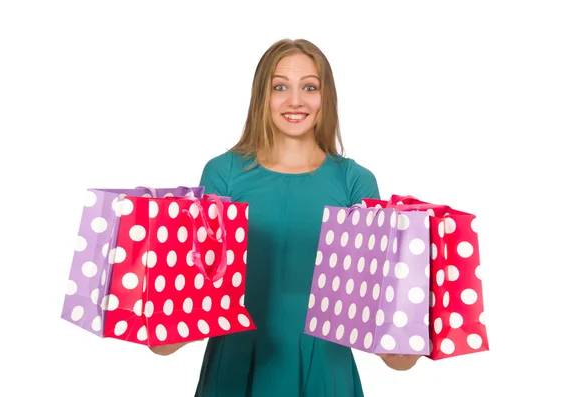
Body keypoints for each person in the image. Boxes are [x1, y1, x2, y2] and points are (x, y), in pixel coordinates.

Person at [150, 38, 421, 396]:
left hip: (325, 370)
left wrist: (412, 316)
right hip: (237, 368)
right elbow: (186, 311)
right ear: (262, 96)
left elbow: (388, 337)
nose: (295, 100)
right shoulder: (222, 173)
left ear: (327, 98)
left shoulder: (355, 181)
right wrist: (159, 310)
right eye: (280, 87)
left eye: (309, 87)